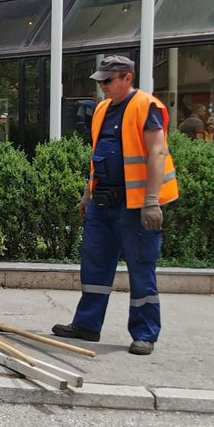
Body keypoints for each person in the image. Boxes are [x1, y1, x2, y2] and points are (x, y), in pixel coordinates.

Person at [52, 55, 178, 356]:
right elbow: (99, 155)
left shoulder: (146, 106)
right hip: (102, 201)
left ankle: (145, 334)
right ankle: (87, 325)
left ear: (127, 78)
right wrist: (88, 194)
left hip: (135, 205)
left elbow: (157, 153)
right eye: (100, 81)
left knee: (141, 268)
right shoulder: (102, 109)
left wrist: (151, 202)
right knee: (94, 263)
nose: (103, 86)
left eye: (108, 81)